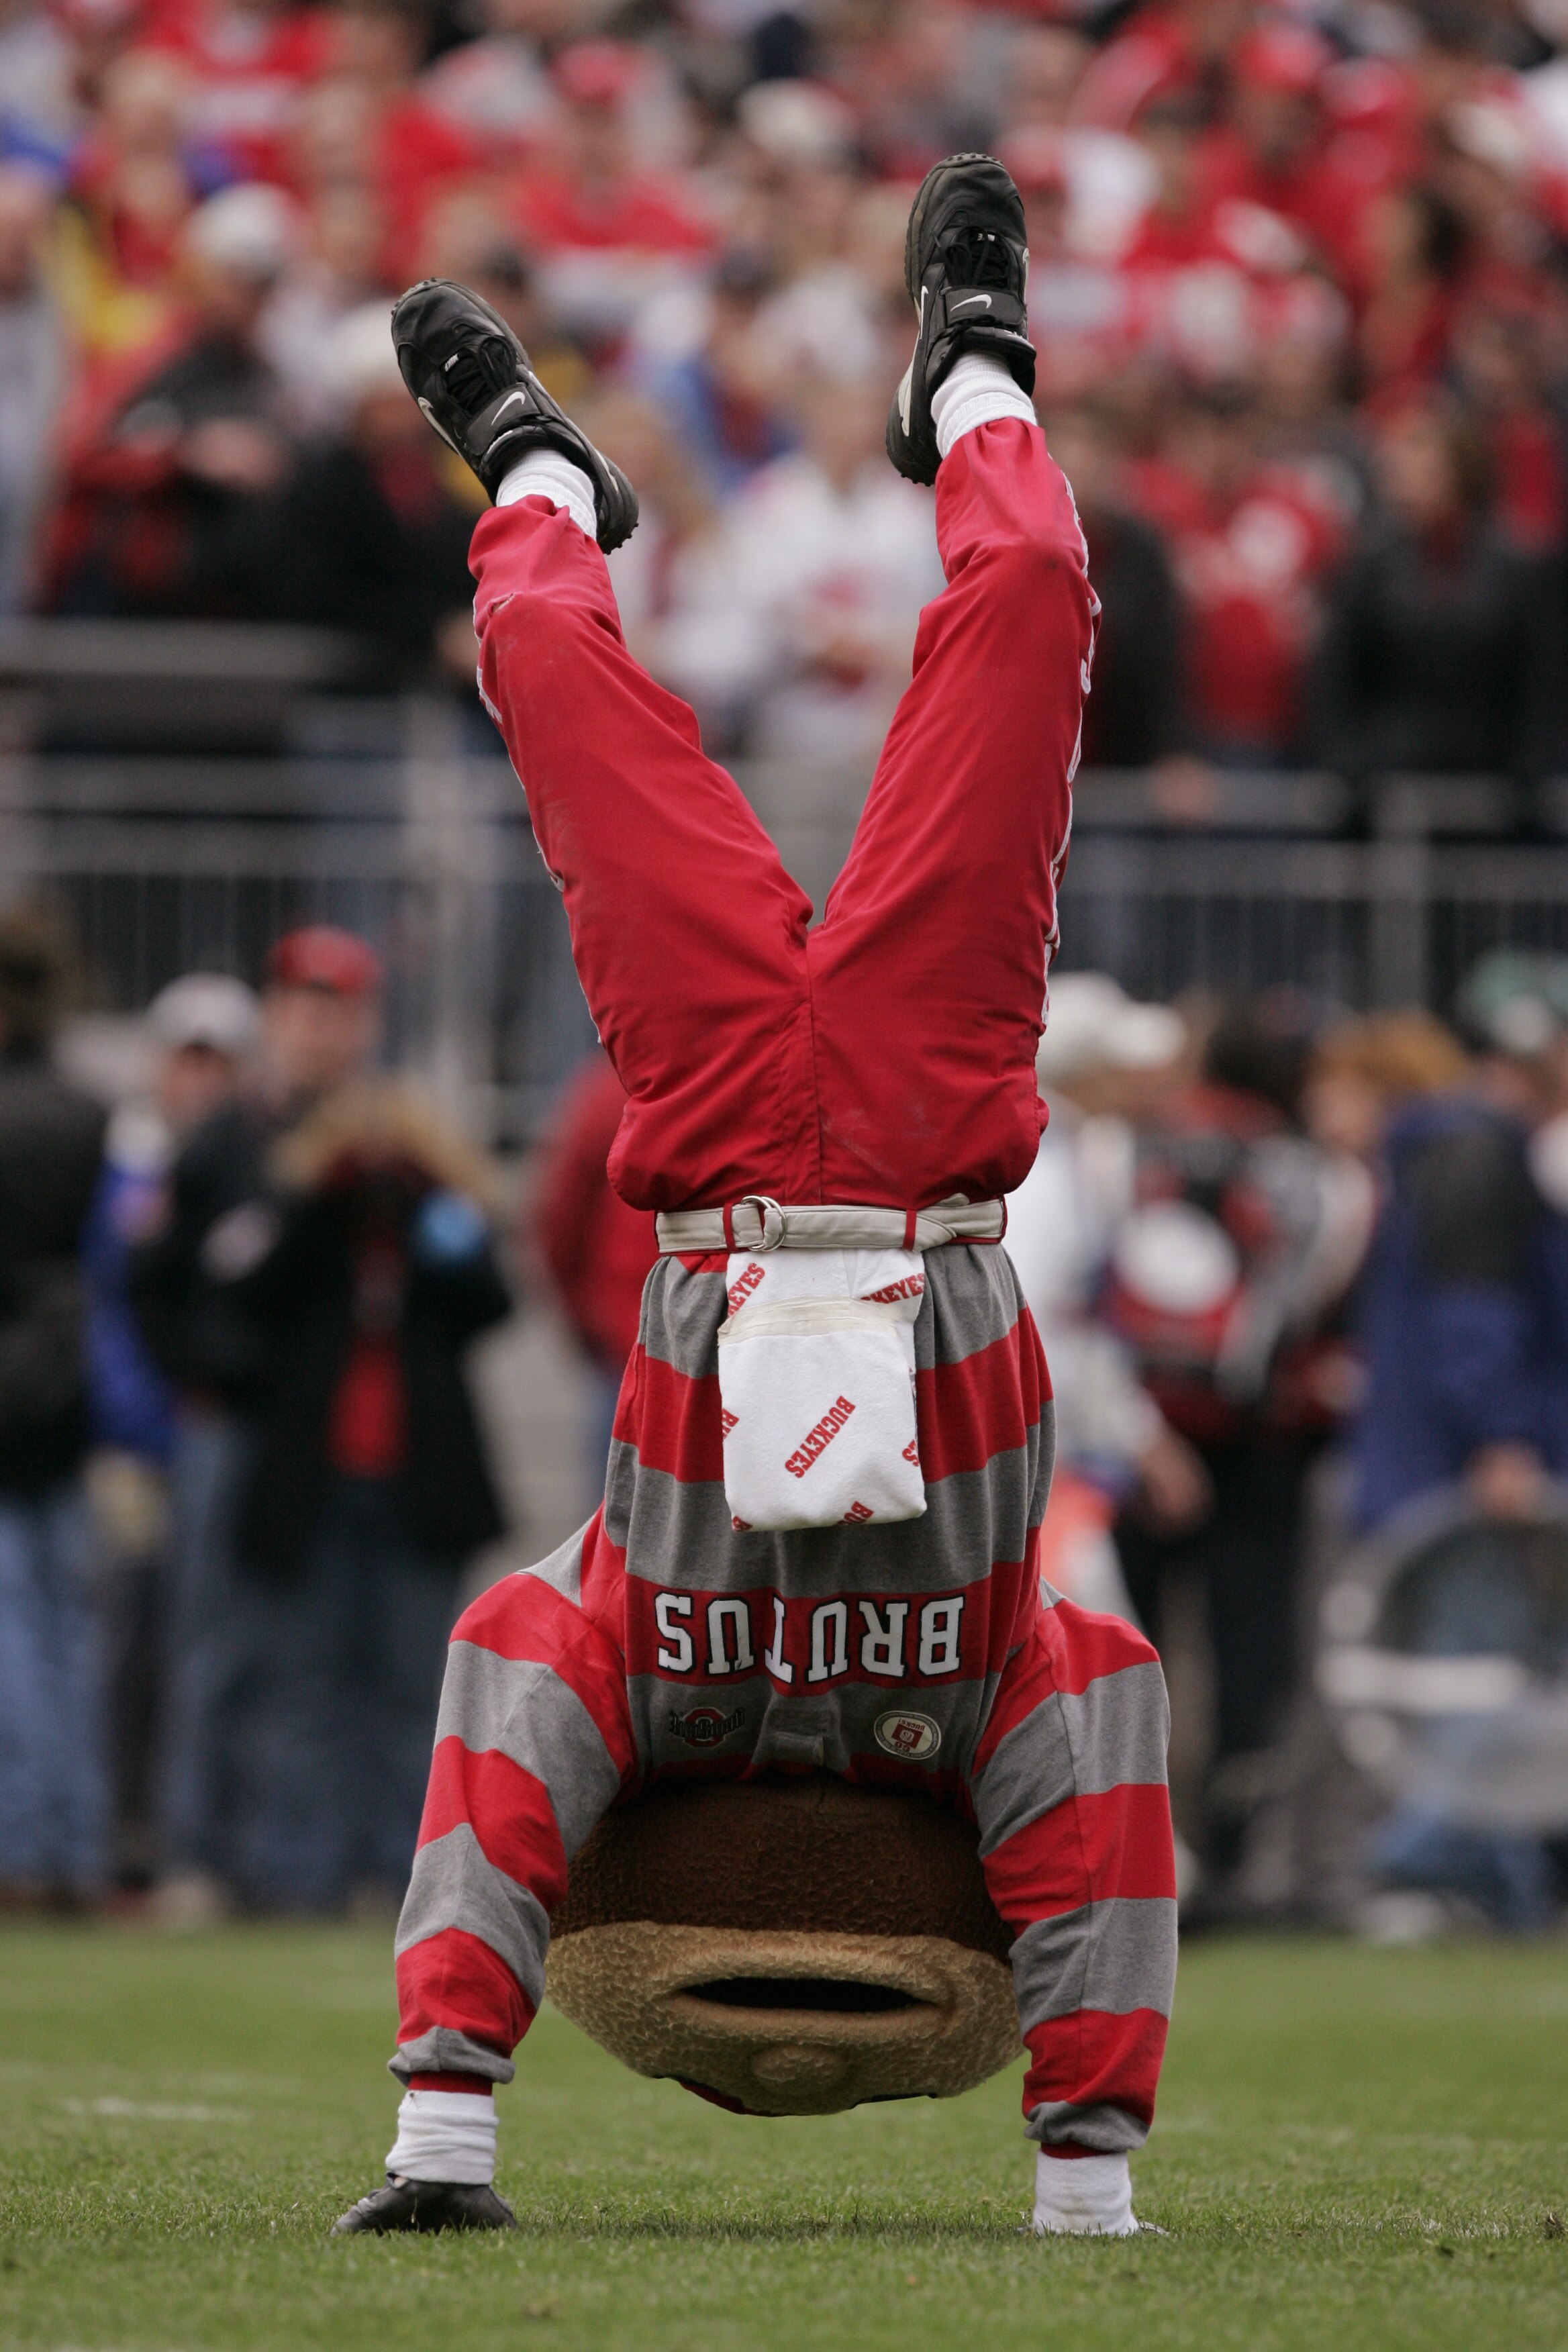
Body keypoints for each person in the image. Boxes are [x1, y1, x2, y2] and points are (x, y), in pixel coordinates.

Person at [336, 154, 1177, 2241]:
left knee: (541, 656)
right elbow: (1098, 1744)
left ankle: (531, 461)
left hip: (715, 1138)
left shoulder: (623, 1654)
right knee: (1031, 615)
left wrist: (443, 2128)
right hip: (927, 1136)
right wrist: (1086, 2180)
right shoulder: (990, 1686)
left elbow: (499, 1681)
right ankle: (975, 377)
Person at [83, 971, 259, 1892]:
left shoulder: (235, 1164)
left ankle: (174, 1838)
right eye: (190, 1058)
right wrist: (137, 1416)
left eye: (217, 1060)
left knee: (196, 1644)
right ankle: (122, 1833)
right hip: (135, 1445)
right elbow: (108, 1311)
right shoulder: (124, 1163)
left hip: (200, 1436)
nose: (201, 1079)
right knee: (126, 1647)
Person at [0, 908, 108, 1906]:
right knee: (69, 1636)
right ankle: (78, 1842)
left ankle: (27, 1850)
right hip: (66, 1388)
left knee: (18, 1635)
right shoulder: (85, 1112)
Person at [532, 1049, 658, 1500]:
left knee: (618, 1546)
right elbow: (560, 1223)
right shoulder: (611, 1090)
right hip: (637, 1349)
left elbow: (559, 1223)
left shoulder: (614, 1085)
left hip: (632, 1349)